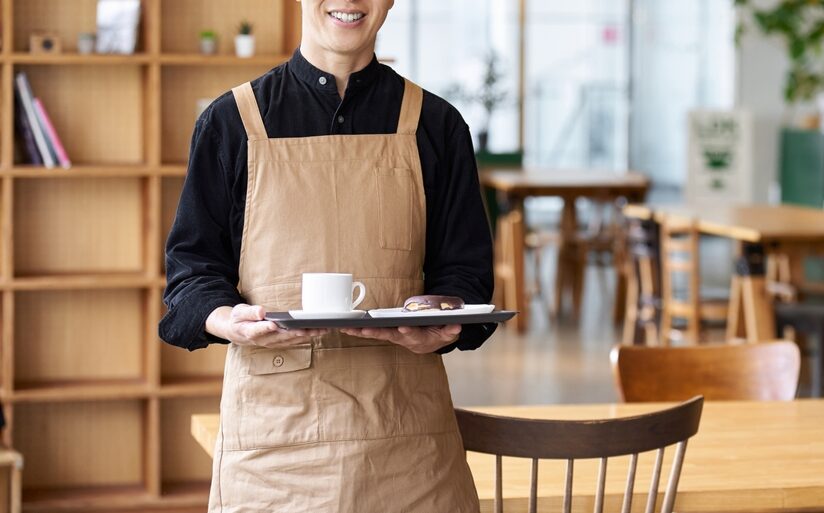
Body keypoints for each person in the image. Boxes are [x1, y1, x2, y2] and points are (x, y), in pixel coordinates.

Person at [159, 0, 496, 511]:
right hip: (273, 451)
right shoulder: (231, 122)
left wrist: (443, 318)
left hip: (408, 444)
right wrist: (228, 320)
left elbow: (467, 275)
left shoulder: (437, 124)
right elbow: (190, 277)